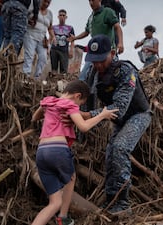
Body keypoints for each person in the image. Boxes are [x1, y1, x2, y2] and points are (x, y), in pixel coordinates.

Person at [31, 80, 118, 225]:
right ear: (77, 96)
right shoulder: (70, 105)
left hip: (41, 152)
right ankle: (63, 217)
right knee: (71, 178)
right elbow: (83, 127)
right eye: (80, 103)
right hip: (58, 149)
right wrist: (103, 115)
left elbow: (34, 118)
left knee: (54, 203)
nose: (78, 107)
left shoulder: (48, 102)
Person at [81, 35, 152, 214]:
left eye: (101, 60)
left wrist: (89, 115)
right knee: (110, 154)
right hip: (119, 120)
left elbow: (119, 108)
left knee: (120, 148)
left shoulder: (125, 71)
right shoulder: (94, 74)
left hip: (138, 115)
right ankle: (111, 199)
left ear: (112, 53)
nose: (97, 65)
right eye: (93, 61)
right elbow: (87, 97)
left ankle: (123, 203)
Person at [68, 0, 124, 80]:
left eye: (93, 0)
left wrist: (120, 43)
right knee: (84, 77)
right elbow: (86, 32)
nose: (91, 3)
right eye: (89, 0)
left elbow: (117, 27)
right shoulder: (91, 18)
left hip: (108, 53)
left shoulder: (107, 12)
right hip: (94, 54)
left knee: (115, 76)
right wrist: (75, 38)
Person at [22, 0, 54, 79]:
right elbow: (23, 17)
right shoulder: (32, 7)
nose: (46, 4)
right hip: (30, 35)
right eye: (45, 1)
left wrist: (51, 39)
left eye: (48, 2)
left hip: (42, 39)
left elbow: (50, 28)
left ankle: (36, 78)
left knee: (43, 58)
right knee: (29, 56)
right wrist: (28, 21)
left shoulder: (50, 14)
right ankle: (26, 76)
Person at [50, 9, 75, 76]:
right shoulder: (54, 27)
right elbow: (51, 38)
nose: (62, 17)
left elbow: (72, 40)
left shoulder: (70, 28)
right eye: (60, 15)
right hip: (54, 49)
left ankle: (61, 85)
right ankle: (52, 83)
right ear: (58, 16)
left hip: (64, 51)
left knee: (63, 71)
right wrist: (48, 48)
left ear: (66, 17)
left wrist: (71, 50)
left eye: (63, 15)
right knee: (53, 69)